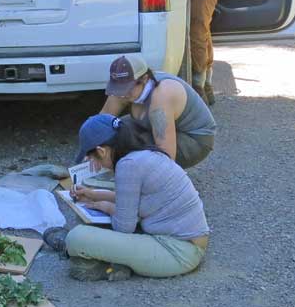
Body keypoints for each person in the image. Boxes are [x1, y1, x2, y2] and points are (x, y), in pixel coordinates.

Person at [44, 114, 210, 281]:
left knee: (76, 237)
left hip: (176, 252)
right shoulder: (142, 154)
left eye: (92, 157)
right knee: (101, 228)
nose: (94, 162)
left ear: (102, 150)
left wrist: (103, 206)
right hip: (185, 242)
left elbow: (124, 227)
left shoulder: (127, 165)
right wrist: (93, 194)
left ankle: (84, 254)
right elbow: (133, 200)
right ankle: (116, 264)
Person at [99, 54, 216, 170]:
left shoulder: (161, 95)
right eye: (119, 88)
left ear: (144, 79)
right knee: (117, 128)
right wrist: (95, 150)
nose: (122, 94)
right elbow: (101, 123)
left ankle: (137, 177)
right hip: (169, 126)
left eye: (126, 88)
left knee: (133, 143)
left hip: (195, 139)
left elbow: (166, 155)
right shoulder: (127, 84)